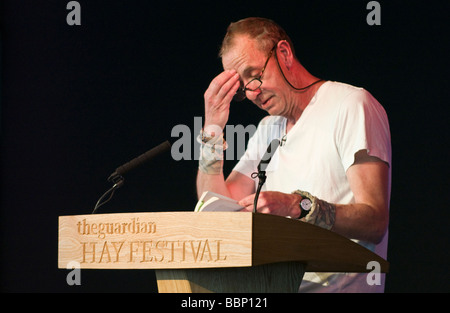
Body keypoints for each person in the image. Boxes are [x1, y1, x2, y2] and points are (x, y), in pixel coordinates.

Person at [196, 17, 391, 293]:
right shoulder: (267, 128)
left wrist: (296, 205)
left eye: (254, 74)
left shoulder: (350, 104)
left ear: (284, 53)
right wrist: (212, 129)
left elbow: (375, 222)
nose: (251, 93)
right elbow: (215, 207)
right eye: (241, 87)